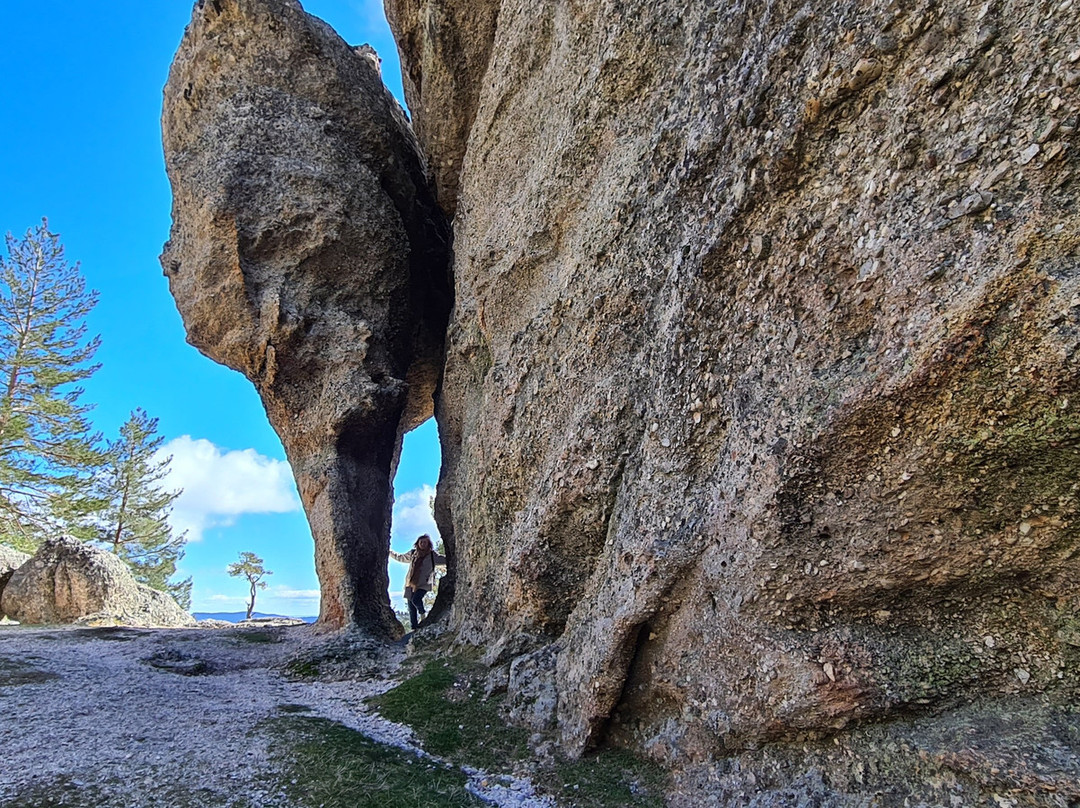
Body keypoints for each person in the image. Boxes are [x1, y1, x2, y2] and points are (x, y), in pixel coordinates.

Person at [389, 534, 446, 630]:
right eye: (421, 542)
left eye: (425, 542)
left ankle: (423, 615)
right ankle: (414, 628)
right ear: (418, 543)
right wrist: (389, 552)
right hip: (410, 584)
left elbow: (445, 559)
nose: (423, 544)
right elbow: (400, 557)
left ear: (429, 544)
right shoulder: (413, 554)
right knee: (411, 607)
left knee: (416, 599)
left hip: (424, 584)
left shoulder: (432, 555)